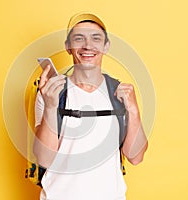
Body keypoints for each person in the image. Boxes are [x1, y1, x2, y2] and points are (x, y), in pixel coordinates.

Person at [33, 12, 148, 200]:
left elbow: (135, 157)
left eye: (96, 38)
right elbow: (44, 158)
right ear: (68, 46)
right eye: (79, 39)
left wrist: (133, 110)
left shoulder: (118, 93)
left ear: (106, 46)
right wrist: (51, 106)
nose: (88, 46)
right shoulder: (51, 92)